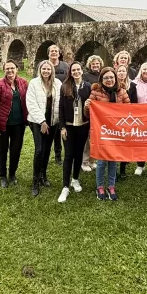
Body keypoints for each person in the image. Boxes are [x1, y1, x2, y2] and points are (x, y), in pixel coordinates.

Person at [85, 67, 130, 201]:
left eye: (111, 77)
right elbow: (88, 115)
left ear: (115, 78)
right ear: (101, 80)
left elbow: (129, 110)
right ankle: (99, 186)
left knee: (113, 160)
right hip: (102, 132)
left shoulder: (122, 92)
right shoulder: (95, 92)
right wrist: (87, 107)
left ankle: (111, 185)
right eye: (106, 78)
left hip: (116, 132)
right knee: (101, 161)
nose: (109, 80)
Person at [0, 59, 29, 188]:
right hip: (3, 124)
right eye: (7, 68)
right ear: (4, 70)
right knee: (2, 150)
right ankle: (3, 176)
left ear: (17, 69)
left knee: (16, 150)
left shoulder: (23, 83)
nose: (10, 71)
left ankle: (12, 174)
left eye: (12, 68)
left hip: (19, 124)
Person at [26, 60, 62, 197]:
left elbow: (60, 102)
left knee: (47, 150)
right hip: (37, 121)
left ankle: (43, 175)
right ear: (40, 70)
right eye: (44, 69)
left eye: (48, 69)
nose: (46, 71)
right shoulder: (34, 83)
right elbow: (31, 103)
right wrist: (42, 121)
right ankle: (35, 181)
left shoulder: (57, 83)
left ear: (52, 70)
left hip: (52, 120)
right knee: (39, 150)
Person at [57, 62, 91, 203]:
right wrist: (62, 127)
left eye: (78, 70)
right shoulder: (65, 86)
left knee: (78, 155)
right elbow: (61, 108)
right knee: (69, 155)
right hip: (69, 126)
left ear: (82, 71)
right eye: (73, 70)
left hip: (83, 125)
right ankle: (65, 187)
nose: (76, 72)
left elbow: (92, 106)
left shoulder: (87, 87)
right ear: (70, 72)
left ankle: (75, 179)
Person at [46, 44, 69, 165]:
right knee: (51, 128)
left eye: (56, 51)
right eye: (51, 51)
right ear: (48, 53)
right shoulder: (44, 65)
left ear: (59, 53)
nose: (54, 53)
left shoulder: (65, 66)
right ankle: (48, 152)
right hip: (48, 100)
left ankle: (59, 154)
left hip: (63, 99)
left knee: (61, 127)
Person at [80, 54, 104, 171]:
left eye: (97, 63)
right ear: (90, 65)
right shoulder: (85, 76)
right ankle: (84, 161)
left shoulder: (103, 76)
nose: (95, 65)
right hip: (90, 110)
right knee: (87, 138)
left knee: (95, 137)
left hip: (101, 112)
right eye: (93, 64)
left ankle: (93, 160)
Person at [116, 64, 138, 179]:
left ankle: (123, 169)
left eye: (123, 71)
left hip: (127, 118)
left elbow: (134, 103)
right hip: (114, 119)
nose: (121, 73)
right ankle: (113, 170)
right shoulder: (112, 85)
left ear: (126, 73)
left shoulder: (133, 86)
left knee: (125, 144)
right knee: (115, 144)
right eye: (119, 71)